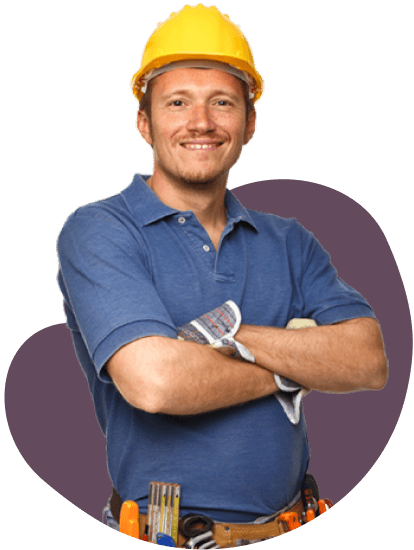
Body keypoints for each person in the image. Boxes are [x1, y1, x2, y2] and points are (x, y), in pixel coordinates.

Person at [56, 4, 388, 545]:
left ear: (249, 123)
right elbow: (155, 383)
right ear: (144, 122)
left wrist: (231, 338)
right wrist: (294, 370)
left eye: (222, 102)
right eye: (177, 102)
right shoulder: (100, 230)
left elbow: (368, 360)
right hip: (169, 536)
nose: (201, 122)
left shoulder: (290, 241)